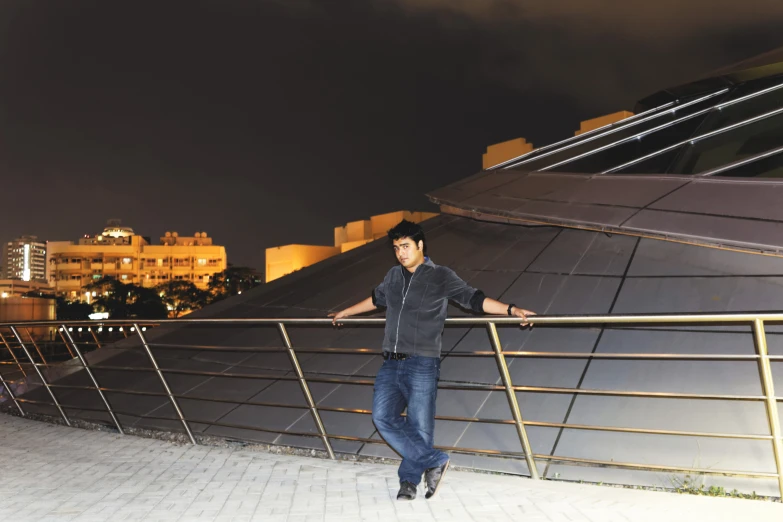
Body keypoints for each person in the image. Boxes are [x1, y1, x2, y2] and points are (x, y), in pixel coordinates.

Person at [330, 219, 535, 501]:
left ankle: (409, 482)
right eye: (396, 248)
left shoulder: (440, 275)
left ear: (420, 245)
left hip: (422, 362)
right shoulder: (393, 276)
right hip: (391, 362)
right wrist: (345, 312)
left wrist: (511, 310)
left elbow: (474, 299)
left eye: (405, 246)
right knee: (382, 417)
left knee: (420, 426)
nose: (400, 253)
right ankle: (435, 459)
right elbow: (376, 300)